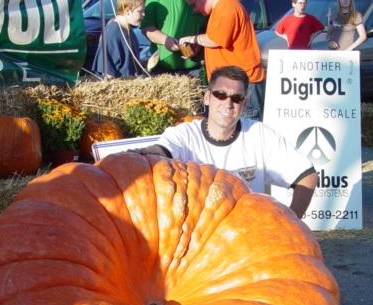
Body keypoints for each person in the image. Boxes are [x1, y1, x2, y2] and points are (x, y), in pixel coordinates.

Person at [133, 66, 317, 218]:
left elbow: (306, 176)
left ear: (244, 104)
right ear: (207, 97)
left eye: (237, 98)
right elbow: (160, 152)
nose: (228, 103)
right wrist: (137, 157)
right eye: (220, 95)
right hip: (197, 235)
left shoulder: (260, 135)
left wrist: (291, 222)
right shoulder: (184, 135)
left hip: (249, 232)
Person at [177, 0, 266, 120]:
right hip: (233, 82)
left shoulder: (227, 6)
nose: (194, 10)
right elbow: (218, 39)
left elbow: (215, 40)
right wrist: (198, 46)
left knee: (245, 125)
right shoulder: (220, 8)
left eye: (194, 5)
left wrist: (193, 39)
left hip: (242, 83)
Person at [140, 0, 207, 74]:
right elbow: (147, 28)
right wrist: (165, 40)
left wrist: (199, 43)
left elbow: (211, 25)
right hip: (162, 69)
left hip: (197, 67)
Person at [92, 0, 146, 78]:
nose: (144, 14)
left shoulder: (128, 29)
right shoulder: (113, 33)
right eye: (140, 11)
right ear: (127, 11)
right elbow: (107, 74)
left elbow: (129, 64)